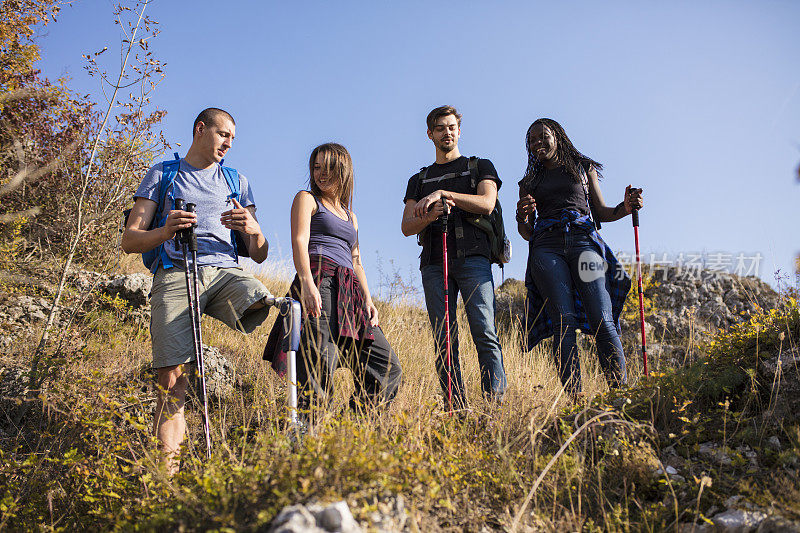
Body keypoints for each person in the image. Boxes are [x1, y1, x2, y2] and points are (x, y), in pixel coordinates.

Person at [122, 107, 272, 472]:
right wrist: (165, 231)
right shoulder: (164, 173)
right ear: (200, 129)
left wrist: (253, 229)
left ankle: (286, 379)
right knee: (172, 380)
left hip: (224, 274)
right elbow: (130, 239)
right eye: (223, 134)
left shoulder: (237, 180)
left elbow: (260, 254)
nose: (228, 143)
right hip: (176, 272)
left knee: (273, 302)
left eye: (233, 138)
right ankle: (166, 477)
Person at [264, 143, 402, 420]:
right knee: (317, 370)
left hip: (349, 293)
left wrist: (368, 300)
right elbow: (300, 241)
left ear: (343, 170)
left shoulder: (351, 216)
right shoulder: (306, 198)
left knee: (387, 367)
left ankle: (345, 429)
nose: (321, 174)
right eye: (316, 167)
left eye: (328, 168)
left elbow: (357, 261)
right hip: (318, 280)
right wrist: (307, 283)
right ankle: (308, 441)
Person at [516, 118, 644, 398]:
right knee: (564, 323)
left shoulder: (582, 170)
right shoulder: (528, 182)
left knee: (602, 319)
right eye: (532, 141)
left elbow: (601, 213)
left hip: (584, 242)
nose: (538, 143)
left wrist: (626, 206)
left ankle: (621, 396)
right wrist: (521, 216)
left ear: (557, 136)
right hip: (546, 247)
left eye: (543, 136)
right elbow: (526, 232)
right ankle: (575, 400)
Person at [401, 105, 507, 411]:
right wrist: (431, 213)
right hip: (434, 263)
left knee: (484, 330)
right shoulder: (418, 180)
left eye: (451, 127)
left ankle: (494, 406)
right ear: (430, 134)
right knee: (444, 339)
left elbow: (487, 203)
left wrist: (445, 194)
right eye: (440, 128)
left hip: (474, 259)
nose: (446, 132)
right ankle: (455, 408)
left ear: (459, 130)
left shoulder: (480, 167)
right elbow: (407, 226)